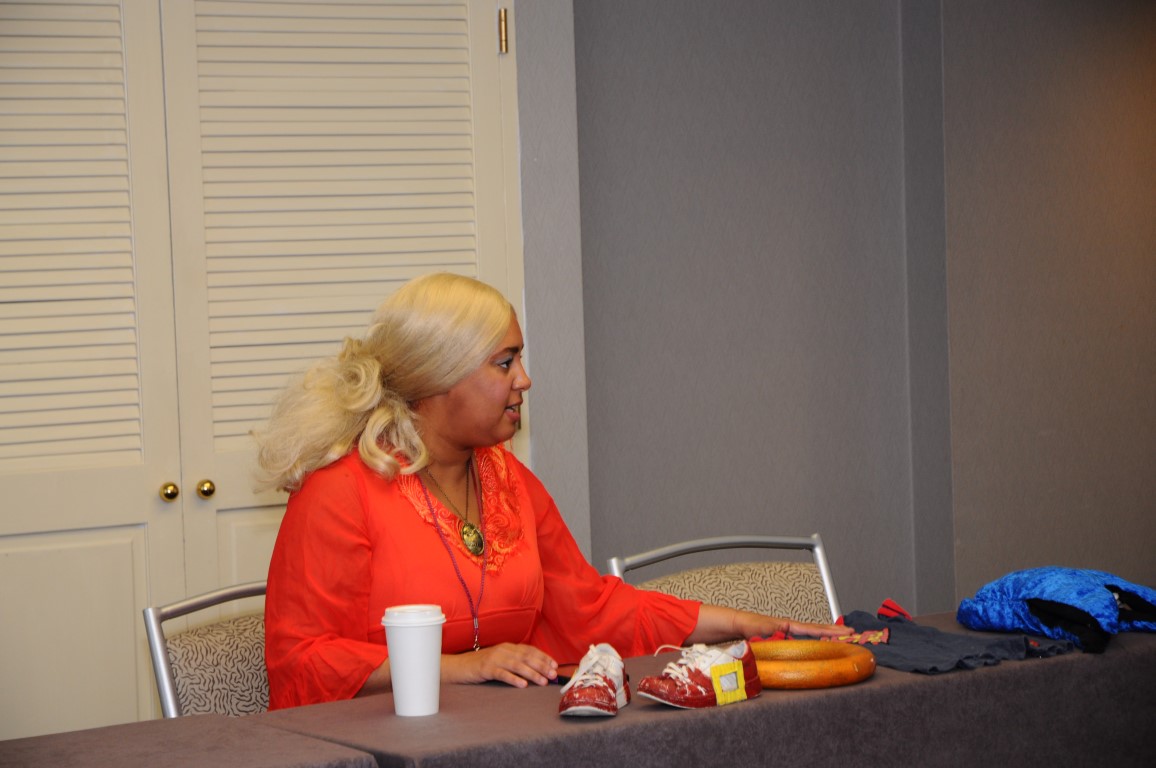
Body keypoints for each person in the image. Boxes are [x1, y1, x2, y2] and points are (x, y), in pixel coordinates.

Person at [255, 272, 846, 710]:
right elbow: (303, 660)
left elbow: (594, 609)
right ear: (438, 377)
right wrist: (464, 667)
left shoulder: (509, 479)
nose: (525, 380)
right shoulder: (339, 492)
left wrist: (750, 626)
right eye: (504, 363)